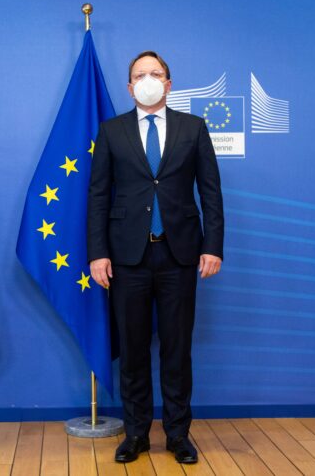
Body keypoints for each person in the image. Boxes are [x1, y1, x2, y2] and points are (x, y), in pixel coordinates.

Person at [88, 50, 224, 464]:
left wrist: (212, 245)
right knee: (132, 351)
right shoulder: (111, 131)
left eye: (155, 73)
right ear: (130, 87)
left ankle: (178, 435)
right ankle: (136, 434)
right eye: (139, 75)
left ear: (168, 83)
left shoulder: (193, 128)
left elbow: (211, 192)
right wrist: (97, 253)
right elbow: (97, 196)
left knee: (176, 350)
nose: (147, 79)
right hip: (126, 257)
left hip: (179, 254)